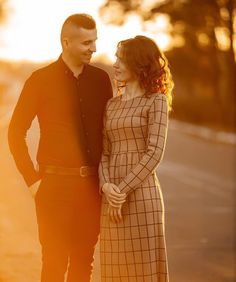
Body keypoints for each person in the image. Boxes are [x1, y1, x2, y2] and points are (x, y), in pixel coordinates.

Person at [8, 13, 113, 282]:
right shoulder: (39, 80)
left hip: (90, 187)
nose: (94, 49)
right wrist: (32, 181)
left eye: (95, 41)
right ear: (66, 42)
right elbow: (15, 131)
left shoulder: (101, 81)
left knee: (83, 264)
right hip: (52, 187)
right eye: (87, 43)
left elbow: (108, 134)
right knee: (54, 264)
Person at [99, 35, 173, 281]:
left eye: (122, 59)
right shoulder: (111, 105)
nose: (115, 64)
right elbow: (105, 152)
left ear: (139, 65)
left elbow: (154, 153)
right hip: (111, 199)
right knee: (115, 269)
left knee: (142, 272)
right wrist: (107, 187)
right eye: (116, 58)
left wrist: (122, 191)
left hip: (141, 197)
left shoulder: (156, 101)